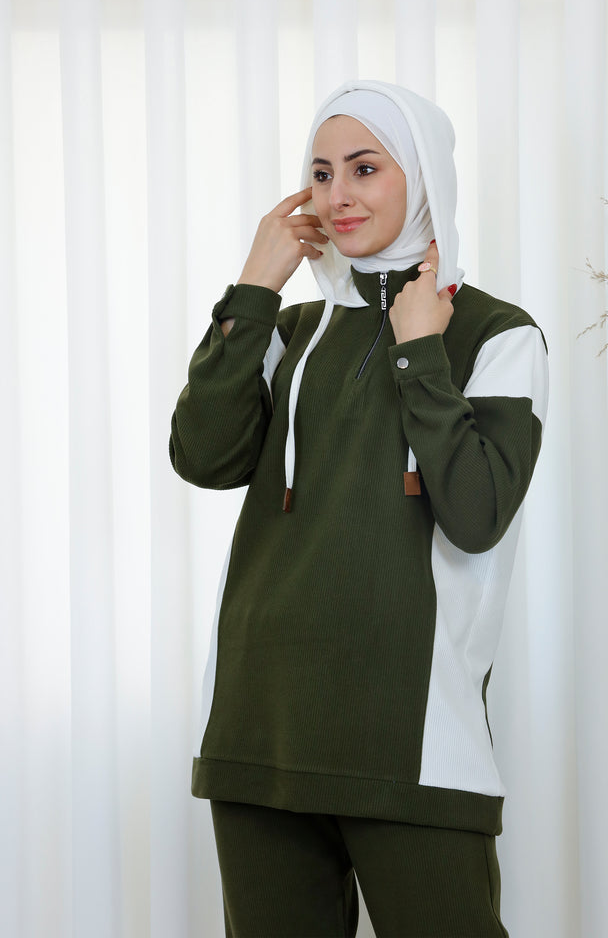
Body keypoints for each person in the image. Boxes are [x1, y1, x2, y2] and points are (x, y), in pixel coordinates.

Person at [170, 80, 549, 938]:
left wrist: (419, 352)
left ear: (422, 174)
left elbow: (477, 513)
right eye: (320, 172)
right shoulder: (288, 329)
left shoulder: (496, 334)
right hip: (260, 726)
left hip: (411, 738)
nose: (336, 194)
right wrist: (254, 288)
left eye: (365, 168)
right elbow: (203, 456)